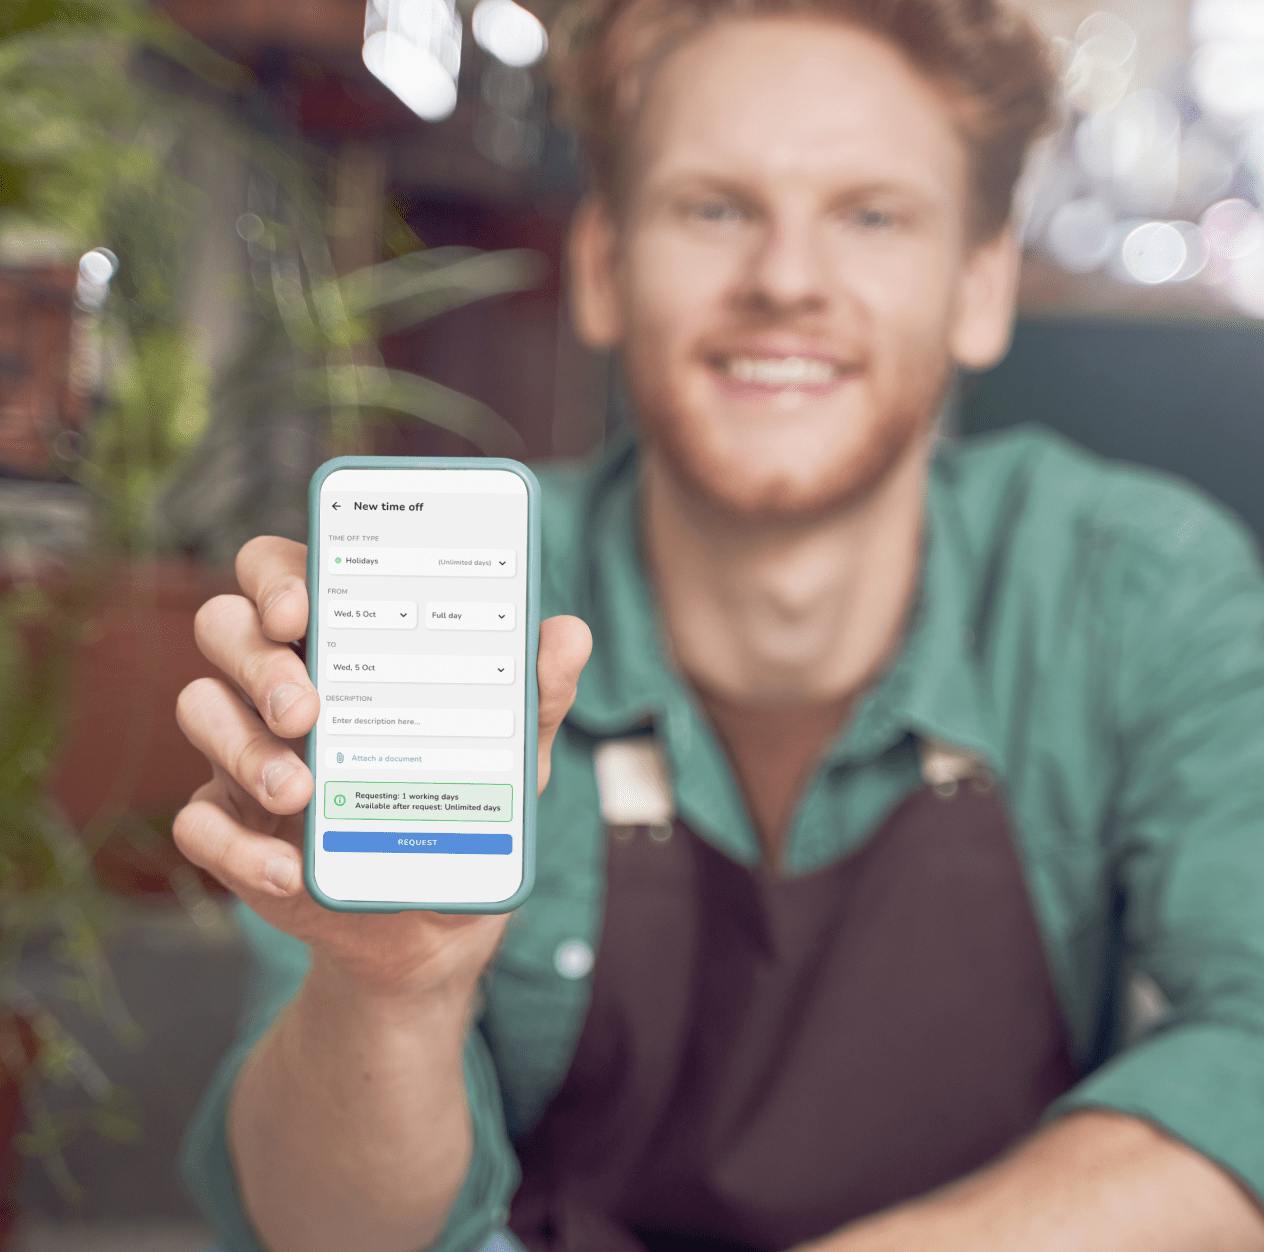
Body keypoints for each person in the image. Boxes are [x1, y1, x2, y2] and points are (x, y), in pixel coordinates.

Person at [174, 1, 1264, 1249]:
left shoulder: (1134, 588)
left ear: (979, 285)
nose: (786, 281)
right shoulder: (456, 610)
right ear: (603, 267)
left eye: (870, 215)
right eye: (713, 208)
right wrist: (387, 996)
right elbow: (322, 1233)